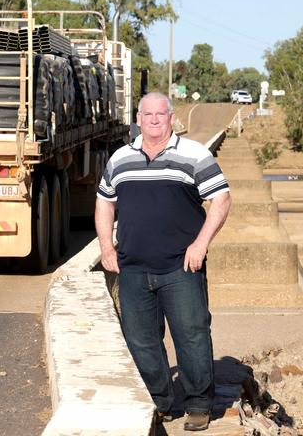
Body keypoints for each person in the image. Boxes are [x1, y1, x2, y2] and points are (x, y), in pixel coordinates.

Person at [95, 92, 231, 431]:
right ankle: (160, 400)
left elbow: (221, 199)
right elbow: (104, 203)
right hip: (132, 267)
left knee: (192, 335)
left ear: (172, 118)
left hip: (181, 268)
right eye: (148, 114)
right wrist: (106, 249)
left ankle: (199, 404)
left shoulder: (194, 155)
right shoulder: (120, 159)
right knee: (140, 339)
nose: (154, 119)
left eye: (161, 114)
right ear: (138, 119)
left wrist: (200, 244)